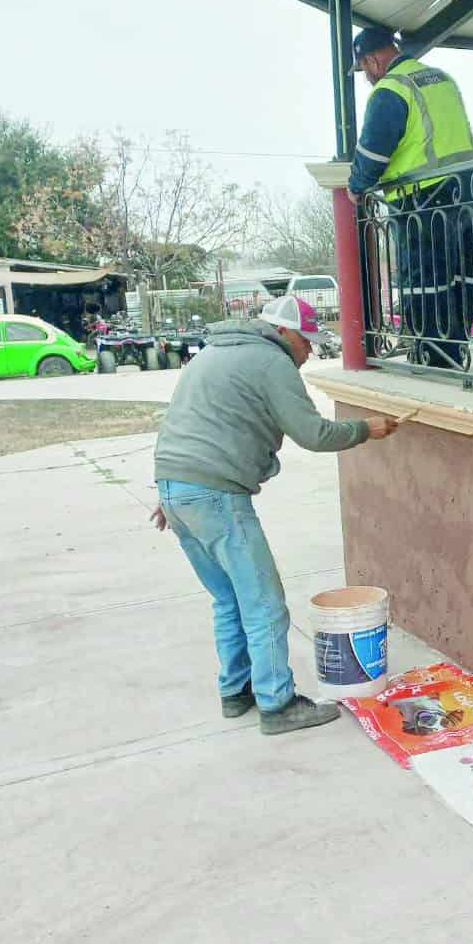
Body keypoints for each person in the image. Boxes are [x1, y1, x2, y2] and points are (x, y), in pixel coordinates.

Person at [150, 295, 398, 735]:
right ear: (283, 333)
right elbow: (314, 434)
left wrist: (175, 492)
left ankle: (235, 692)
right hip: (215, 495)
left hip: (175, 489)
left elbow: (185, 424)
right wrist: (367, 428)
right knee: (264, 605)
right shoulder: (271, 362)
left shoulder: (213, 353)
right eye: (306, 342)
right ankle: (277, 703)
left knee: (229, 600)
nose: (309, 352)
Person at [346, 26, 473, 369]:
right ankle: (455, 351)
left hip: (424, 199)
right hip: (469, 192)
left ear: (373, 59)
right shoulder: (441, 78)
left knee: (424, 281)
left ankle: (432, 357)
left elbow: (373, 152)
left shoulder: (391, 90)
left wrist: (356, 185)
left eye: (363, 69)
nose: (366, 77)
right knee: (460, 278)